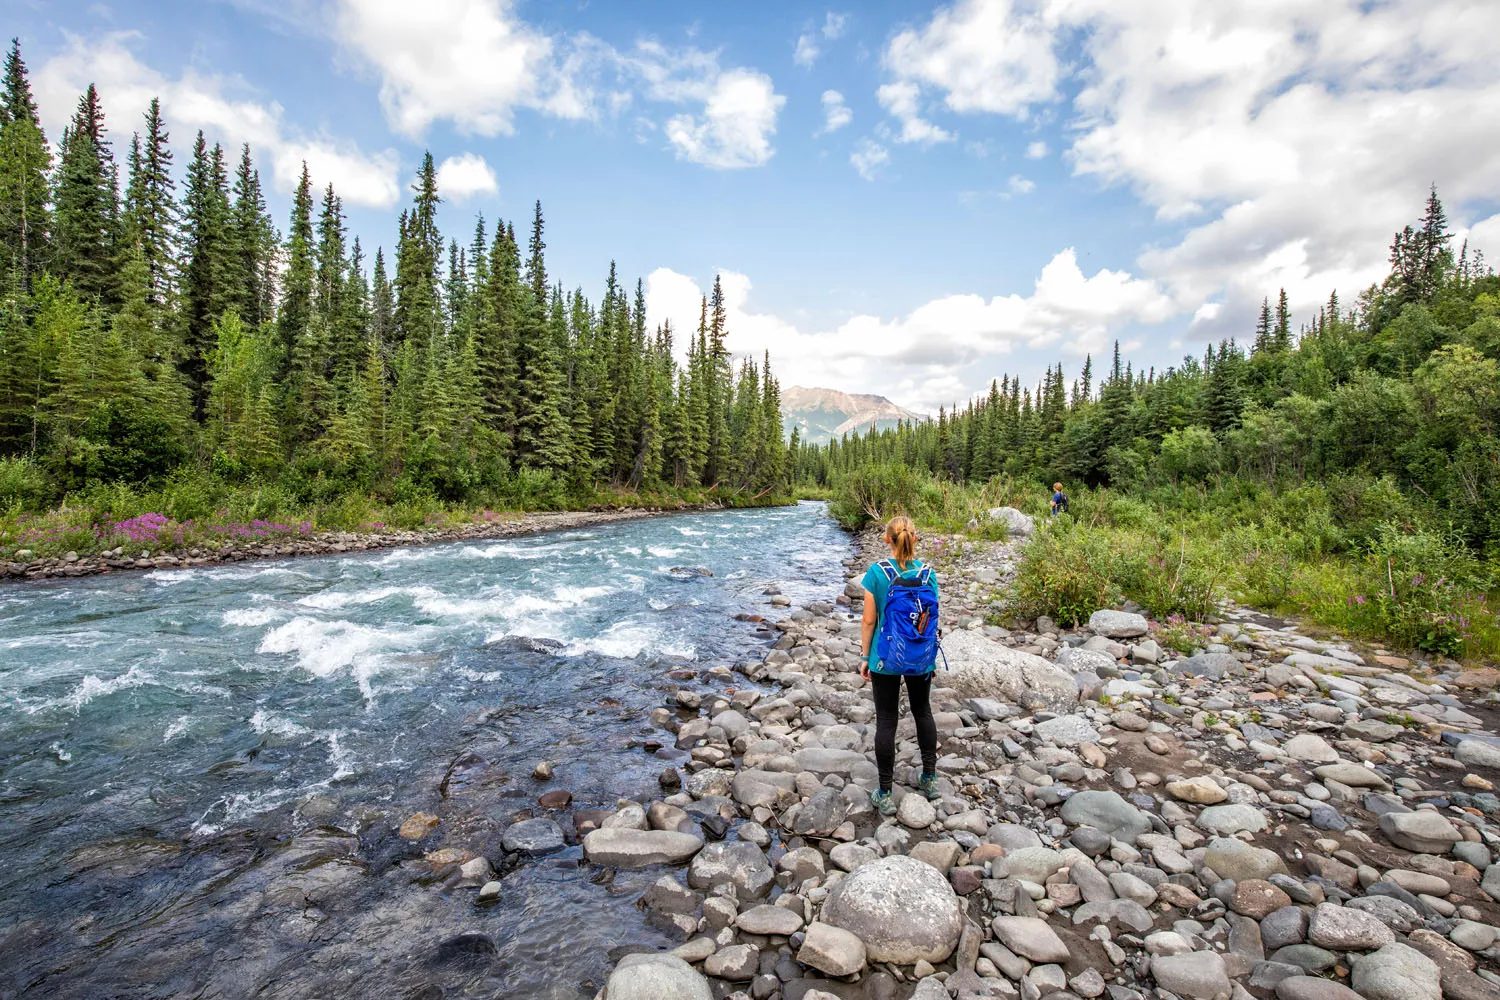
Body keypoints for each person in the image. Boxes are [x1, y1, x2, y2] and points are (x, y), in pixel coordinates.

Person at [859, 515, 940, 816]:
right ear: (915, 538)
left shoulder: (877, 572)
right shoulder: (928, 573)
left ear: (886, 539)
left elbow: (869, 621)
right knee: (923, 712)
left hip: (886, 656)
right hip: (920, 654)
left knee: (887, 720)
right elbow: (930, 617)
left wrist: (865, 657)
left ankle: (885, 792)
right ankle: (930, 780)